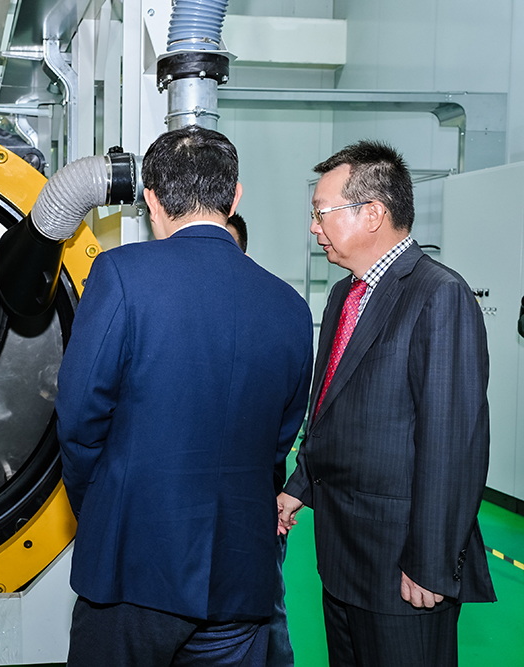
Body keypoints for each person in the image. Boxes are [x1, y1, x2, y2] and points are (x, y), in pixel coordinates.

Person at [56, 126, 313, 667]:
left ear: (151, 200)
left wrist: (102, 509)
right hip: (241, 575)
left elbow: (79, 420)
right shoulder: (289, 305)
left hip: (132, 569)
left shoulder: (121, 275)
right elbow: (279, 440)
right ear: (235, 196)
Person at [277, 140, 496, 667]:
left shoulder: (438, 294)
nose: (314, 227)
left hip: (403, 568)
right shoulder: (344, 295)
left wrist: (430, 562)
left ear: (372, 213)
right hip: (342, 557)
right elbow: (330, 409)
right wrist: (300, 486)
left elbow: (453, 444)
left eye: (321, 213)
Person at [224, 212, 294, 667]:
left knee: (268, 614)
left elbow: (282, 428)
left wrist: (274, 500)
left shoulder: (272, 319)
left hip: (255, 507)